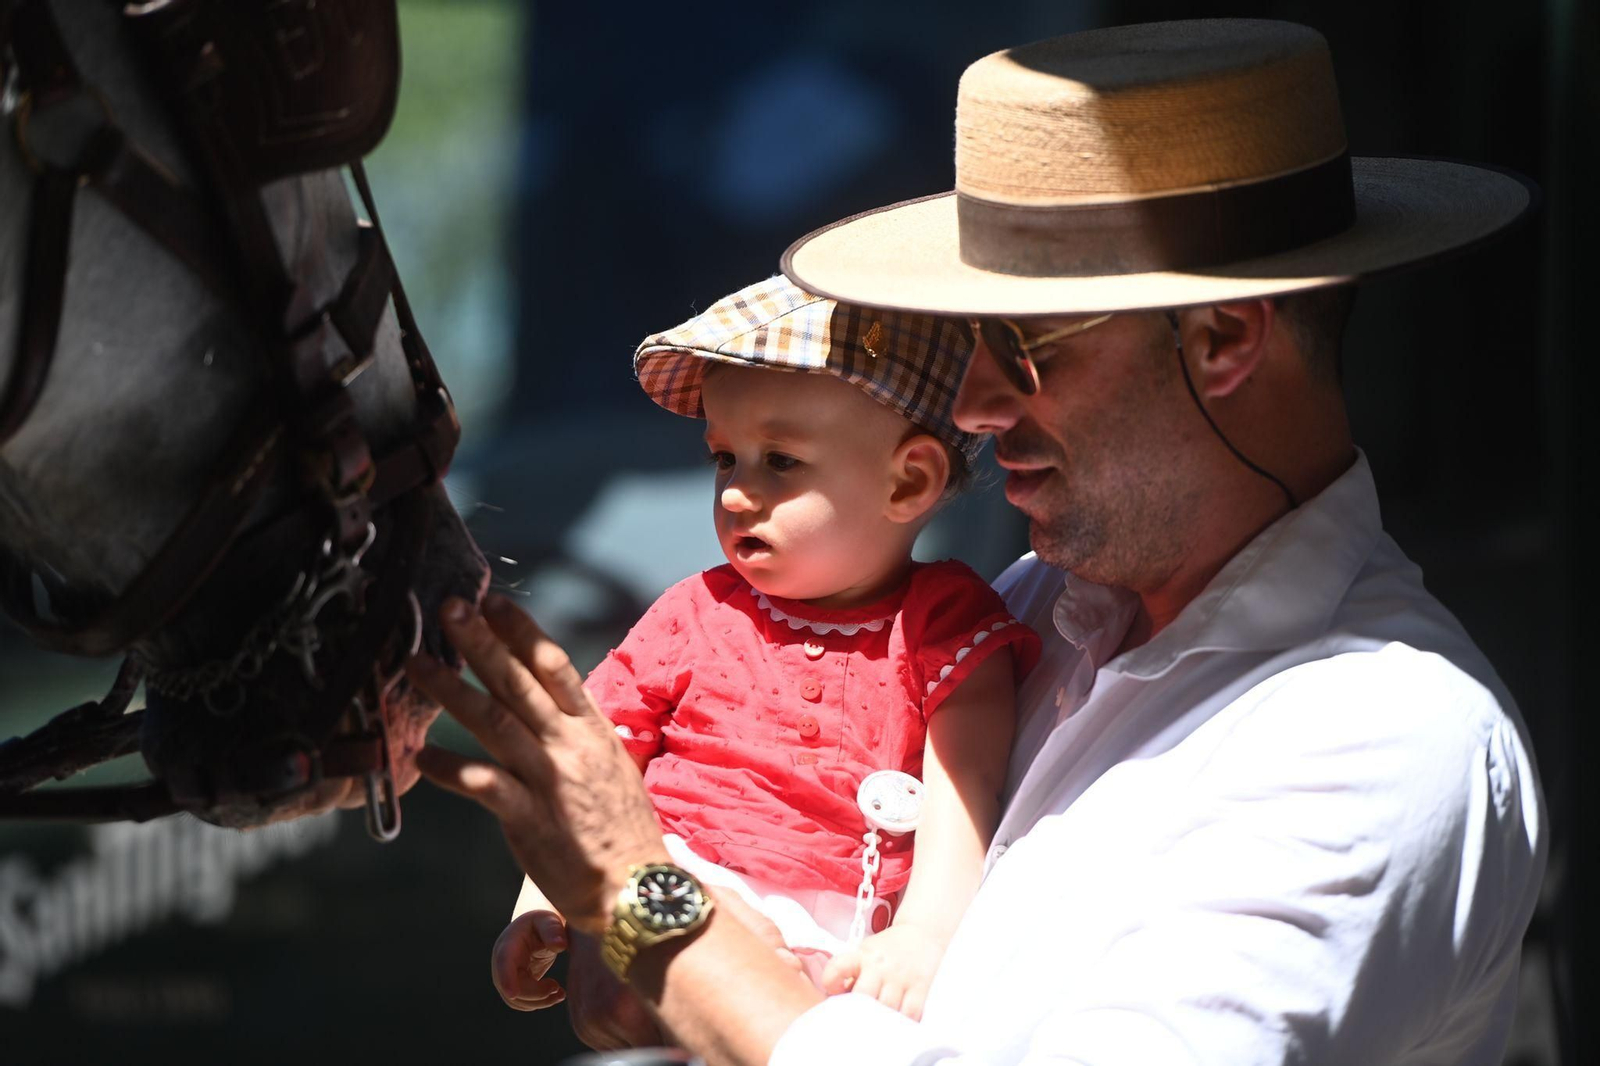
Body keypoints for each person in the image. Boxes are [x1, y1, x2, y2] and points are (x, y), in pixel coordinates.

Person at [406, 18, 1547, 1066]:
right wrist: (653, 969)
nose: (976, 404)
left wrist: (645, 905)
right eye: (969, 347)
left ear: (1223, 339)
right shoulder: (1036, 605)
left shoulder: (1379, 740)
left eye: (1026, 345)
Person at [491, 276, 1039, 1021]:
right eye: (724, 458)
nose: (734, 493)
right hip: (678, 880)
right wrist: (543, 895)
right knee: (659, 939)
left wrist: (925, 934)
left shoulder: (943, 625)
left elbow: (963, 791)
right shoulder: (695, 611)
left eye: (779, 461)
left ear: (908, 482)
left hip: (843, 940)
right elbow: (595, 760)